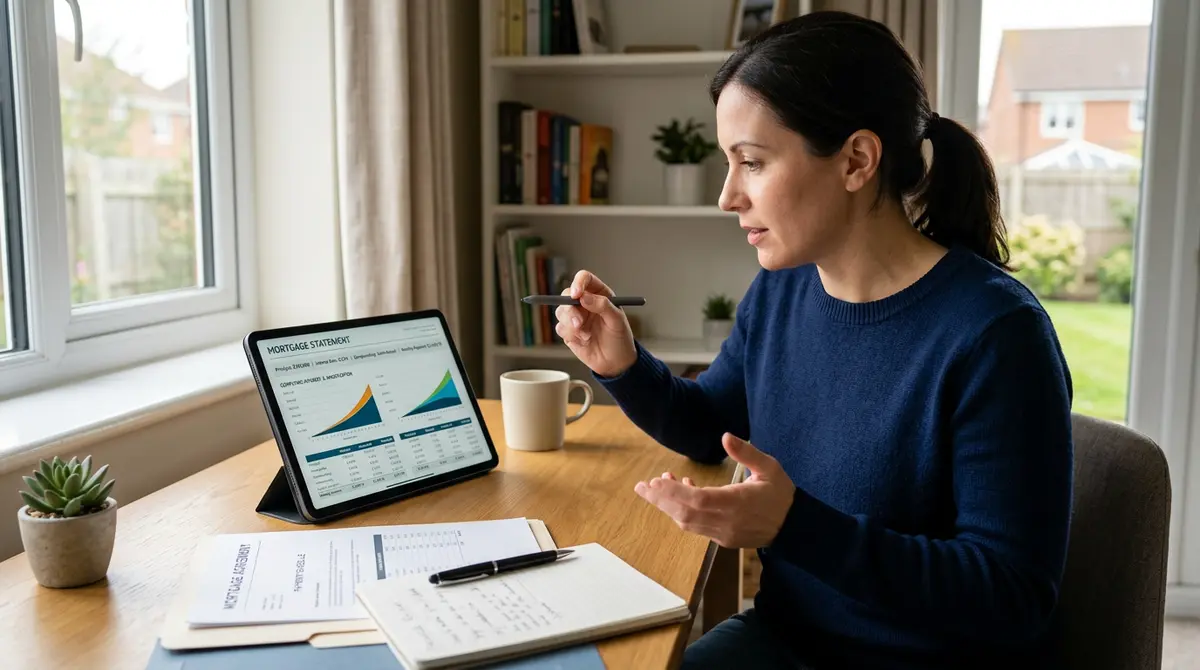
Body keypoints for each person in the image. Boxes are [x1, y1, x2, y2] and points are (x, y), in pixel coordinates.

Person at [552, 10, 1073, 670]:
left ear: (857, 160)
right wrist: (623, 365)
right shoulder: (783, 290)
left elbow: (1012, 598)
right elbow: (711, 426)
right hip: (787, 639)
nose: (727, 196)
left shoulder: (997, 334)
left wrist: (795, 526)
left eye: (752, 162)